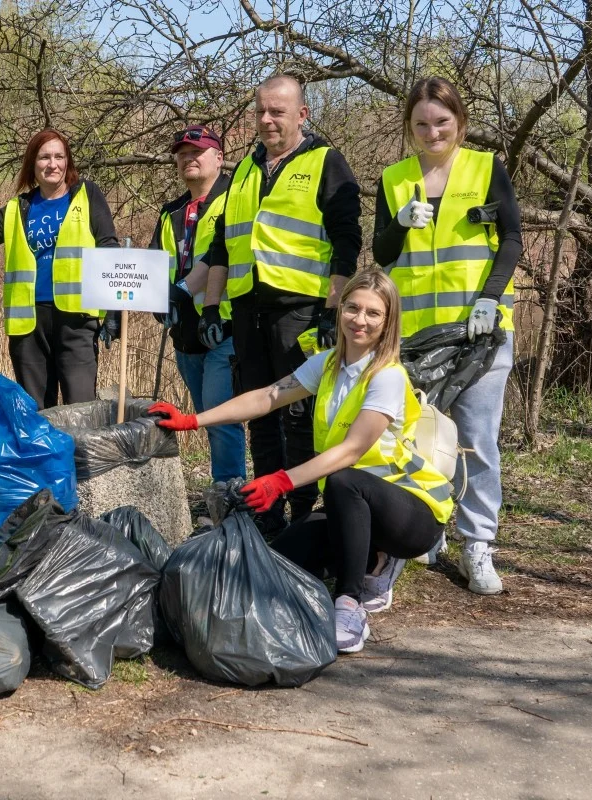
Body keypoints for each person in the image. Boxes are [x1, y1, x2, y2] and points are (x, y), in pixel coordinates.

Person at [150, 270, 453, 653]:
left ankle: (350, 604)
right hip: (351, 507)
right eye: (353, 308)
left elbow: (352, 451)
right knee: (278, 559)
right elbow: (267, 397)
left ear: (388, 321)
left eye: (373, 313)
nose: (360, 320)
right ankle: (372, 557)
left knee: (344, 478)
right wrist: (193, 420)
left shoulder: (387, 377)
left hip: (413, 513)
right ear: (340, 309)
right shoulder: (327, 364)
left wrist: (281, 481)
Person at [189, 74, 363, 534]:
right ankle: (267, 515)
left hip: (301, 311)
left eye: (277, 112)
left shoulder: (326, 161)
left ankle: (304, 515)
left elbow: (347, 242)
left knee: (298, 415)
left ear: (301, 114)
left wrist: (334, 309)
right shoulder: (246, 170)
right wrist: (211, 307)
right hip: (248, 312)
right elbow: (223, 246)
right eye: (260, 111)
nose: (266, 120)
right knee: (259, 417)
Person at [374, 77, 522, 595]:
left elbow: (511, 239)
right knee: (419, 440)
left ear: (459, 121)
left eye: (441, 122)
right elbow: (382, 253)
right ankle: (425, 531)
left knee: (476, 441)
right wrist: (398, 223)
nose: (432, 132)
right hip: (416, 337)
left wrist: (490, 297)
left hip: (478, 332)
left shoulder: (485, 168)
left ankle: (477, 543)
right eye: (421, 124)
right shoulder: (394, 178)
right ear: (409, 127)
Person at [0, 128, 120, 409]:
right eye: (44, 157)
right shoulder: (17, 208)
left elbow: (108, 246)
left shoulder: (87, 194)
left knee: (80, 409)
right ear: (32, 164)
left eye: (59, 156)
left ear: (68, 161)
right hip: (29, 326)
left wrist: (114, 308)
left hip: (77, 320)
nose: (52, 164)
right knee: (37, 413)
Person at [151, 125, 245, 485]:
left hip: (224, 327)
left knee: (221, 418)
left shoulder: (235, 199)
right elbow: (153, 263)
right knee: (206, 414)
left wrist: (181, 291)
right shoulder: (171, 211)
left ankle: (230, 494)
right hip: (184, 333)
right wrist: (154, 297)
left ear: (219, 158)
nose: (188, 158)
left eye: (197, 152)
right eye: (182, 154)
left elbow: (222, 255)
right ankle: (223, 492)